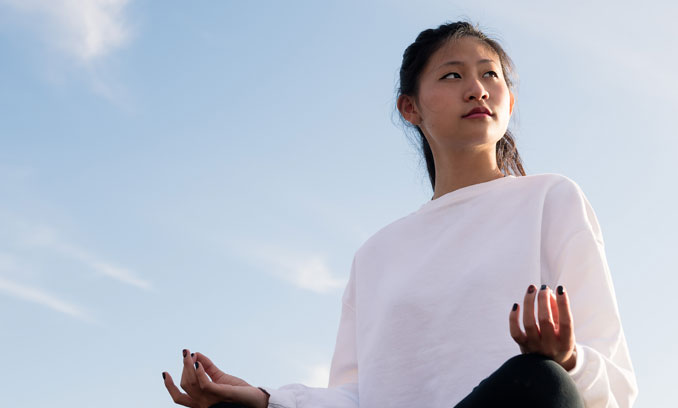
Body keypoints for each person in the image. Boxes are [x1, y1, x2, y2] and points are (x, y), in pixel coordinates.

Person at [161, 20, 638, 408]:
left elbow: (616, 385)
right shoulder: (375, 255)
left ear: (509, 101)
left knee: (540, 382)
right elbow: (355, 398)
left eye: (490, 74)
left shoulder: (550, 199)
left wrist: (568, 358)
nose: (477, 89)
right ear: (410, 108)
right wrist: (267, 401)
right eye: (453, 75)